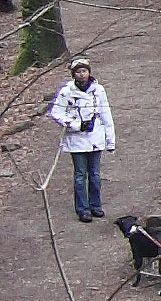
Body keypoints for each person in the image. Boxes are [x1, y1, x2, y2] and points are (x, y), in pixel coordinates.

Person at [42, 59, 113, 218]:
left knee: (94, 174)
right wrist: (76, 125)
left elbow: (106, 114)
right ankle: (83, 209)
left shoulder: (98, 90)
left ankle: (96, 205)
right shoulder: (66, 91)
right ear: (73, 74)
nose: (82, 75)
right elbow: (56, 113)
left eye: (84, 71)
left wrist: (110, 140)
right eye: (78, 72)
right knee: (80, 174)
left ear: (89, 72)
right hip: (77, 141)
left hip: (95, 138)